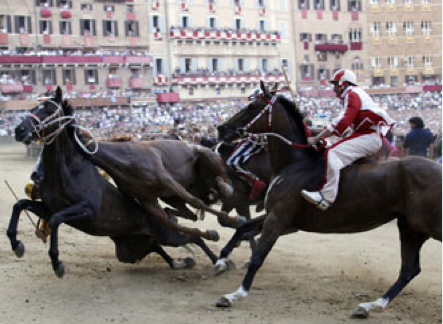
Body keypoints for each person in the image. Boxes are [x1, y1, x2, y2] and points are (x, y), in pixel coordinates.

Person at [301, 69, 394, 211]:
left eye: (335, 84)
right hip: (367, 135)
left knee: (331, 153)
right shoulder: (355, 94)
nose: (334, 88)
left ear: (343, 83)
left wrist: (316, 138)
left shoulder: (352, 94)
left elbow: (342, 122)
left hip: (368, 136)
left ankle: (326, 197)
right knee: (329, 147)